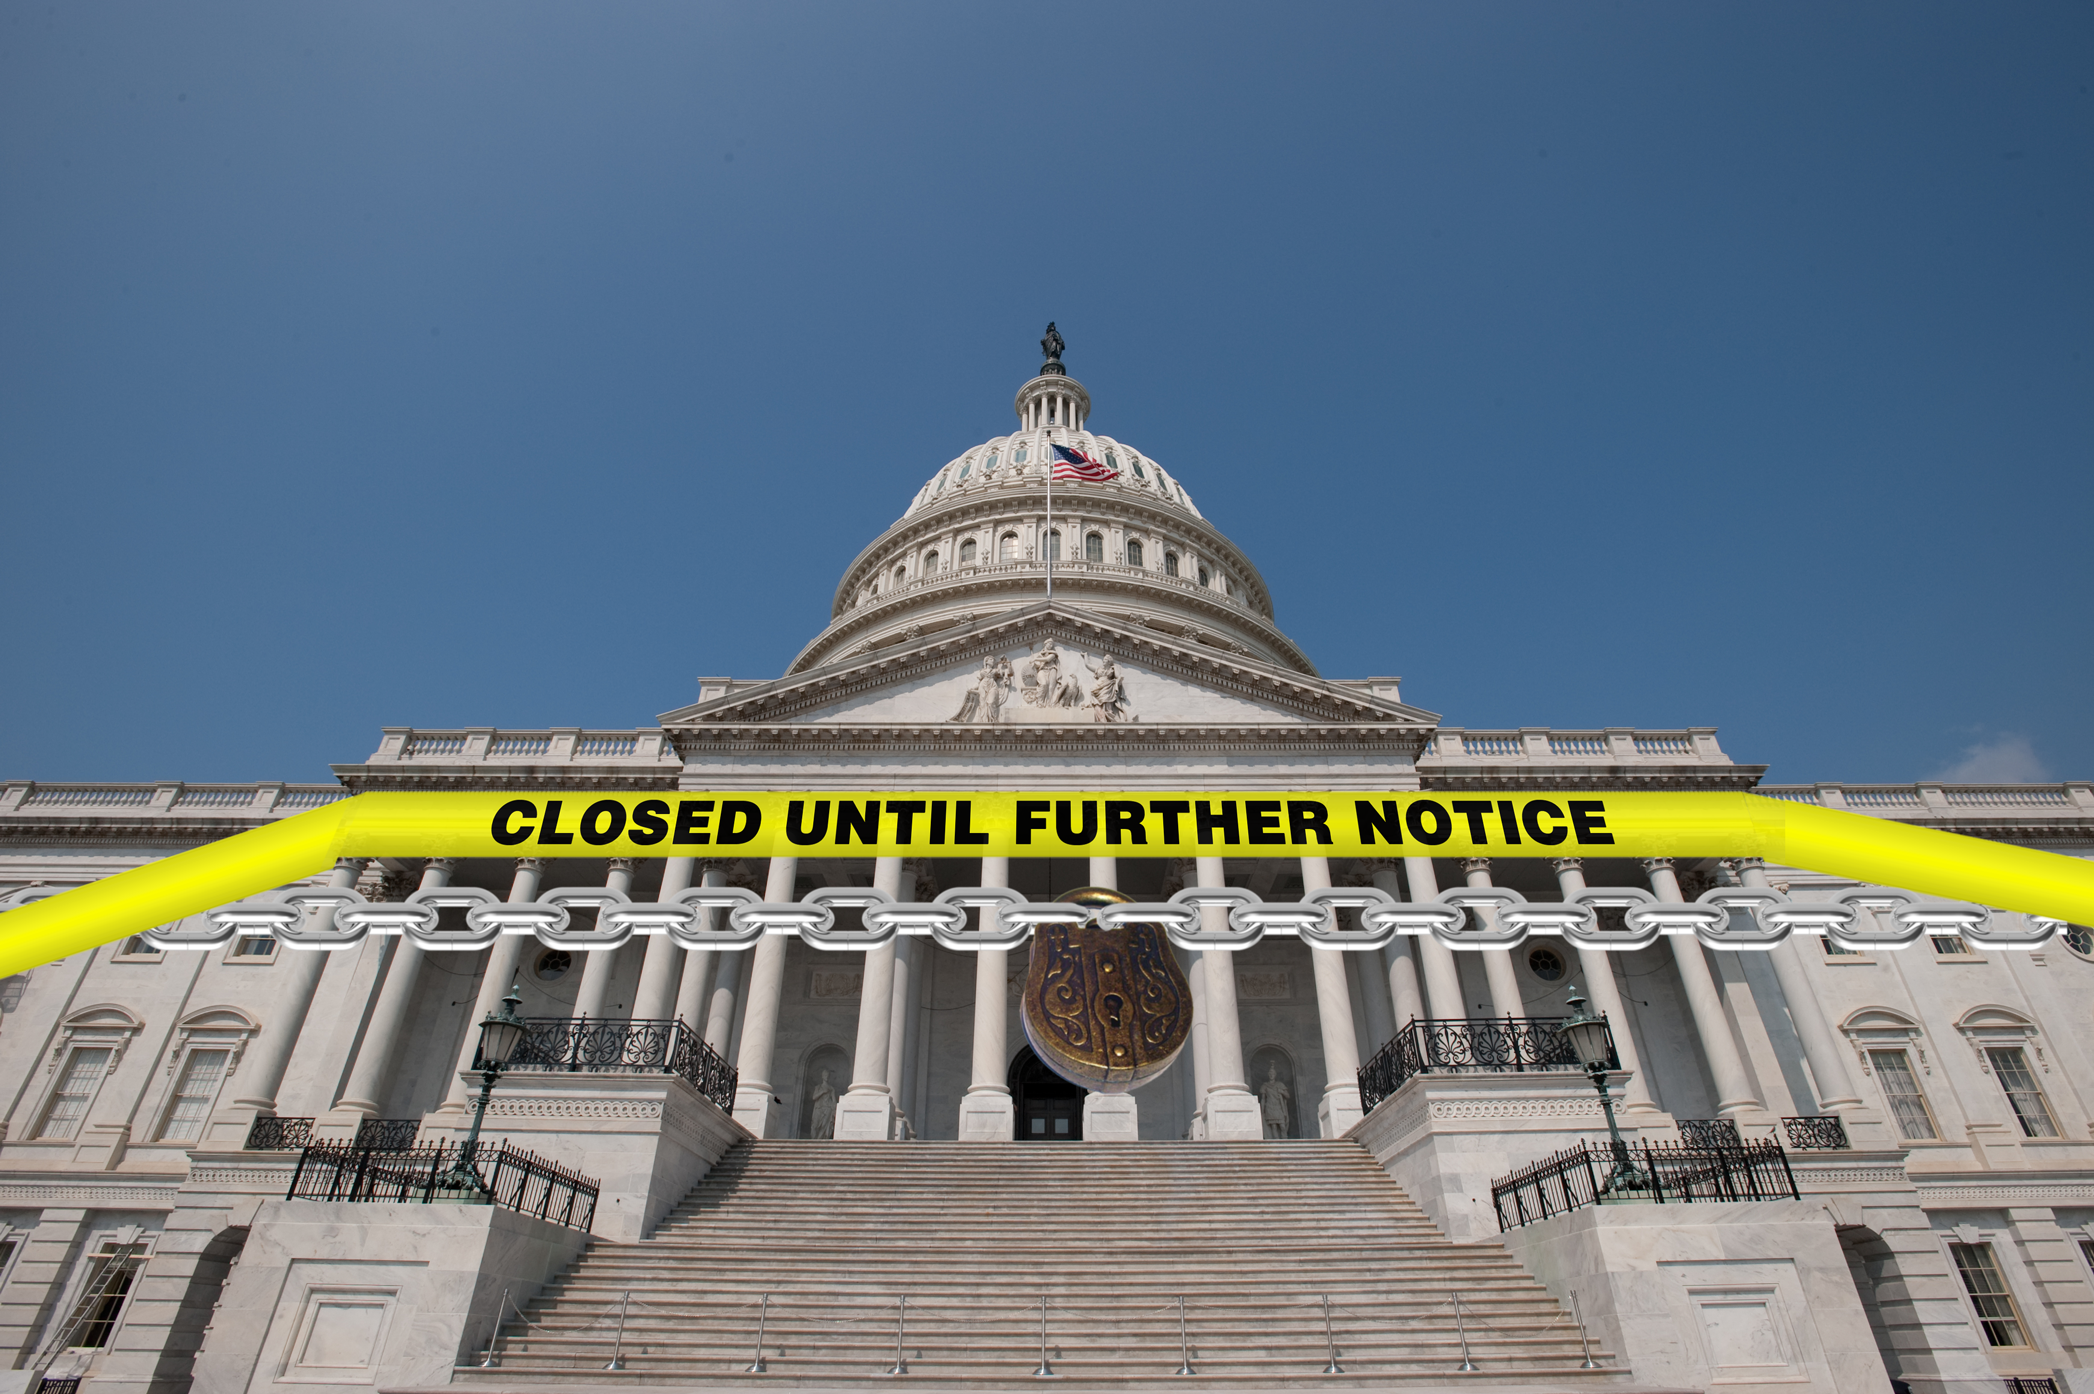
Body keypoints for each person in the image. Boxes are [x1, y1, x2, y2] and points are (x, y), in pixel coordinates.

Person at [1258, 1062, 1292, 1140]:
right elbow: (1263, 1098)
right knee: (1273, 1126)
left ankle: (1284, 1139)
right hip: (1269, 1106)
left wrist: (1282, 1092)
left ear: (1275, 1074)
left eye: (1272, 1073)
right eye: (1270, 1073)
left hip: (1279, 1106)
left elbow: (1287, 1096)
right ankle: (1276, 1141)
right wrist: (1262, 1111)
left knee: (1282, 1125)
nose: (1271, 1075)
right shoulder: (1265, 1086)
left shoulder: (1280, 1084)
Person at [808, 1068, 837, 1139]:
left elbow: (834, 1100)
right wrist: (822, 1092)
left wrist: (834, 1109)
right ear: (822, 1076)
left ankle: (821, 1140)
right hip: (819, 1107)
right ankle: (814, 1140)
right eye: (825, 1075)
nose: (826, 1076)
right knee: (815, 1125)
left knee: (824, 1126)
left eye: (827, 1075)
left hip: (828, 1108)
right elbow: (814, 1097)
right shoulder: (818, 1087)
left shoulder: (831, 1088)